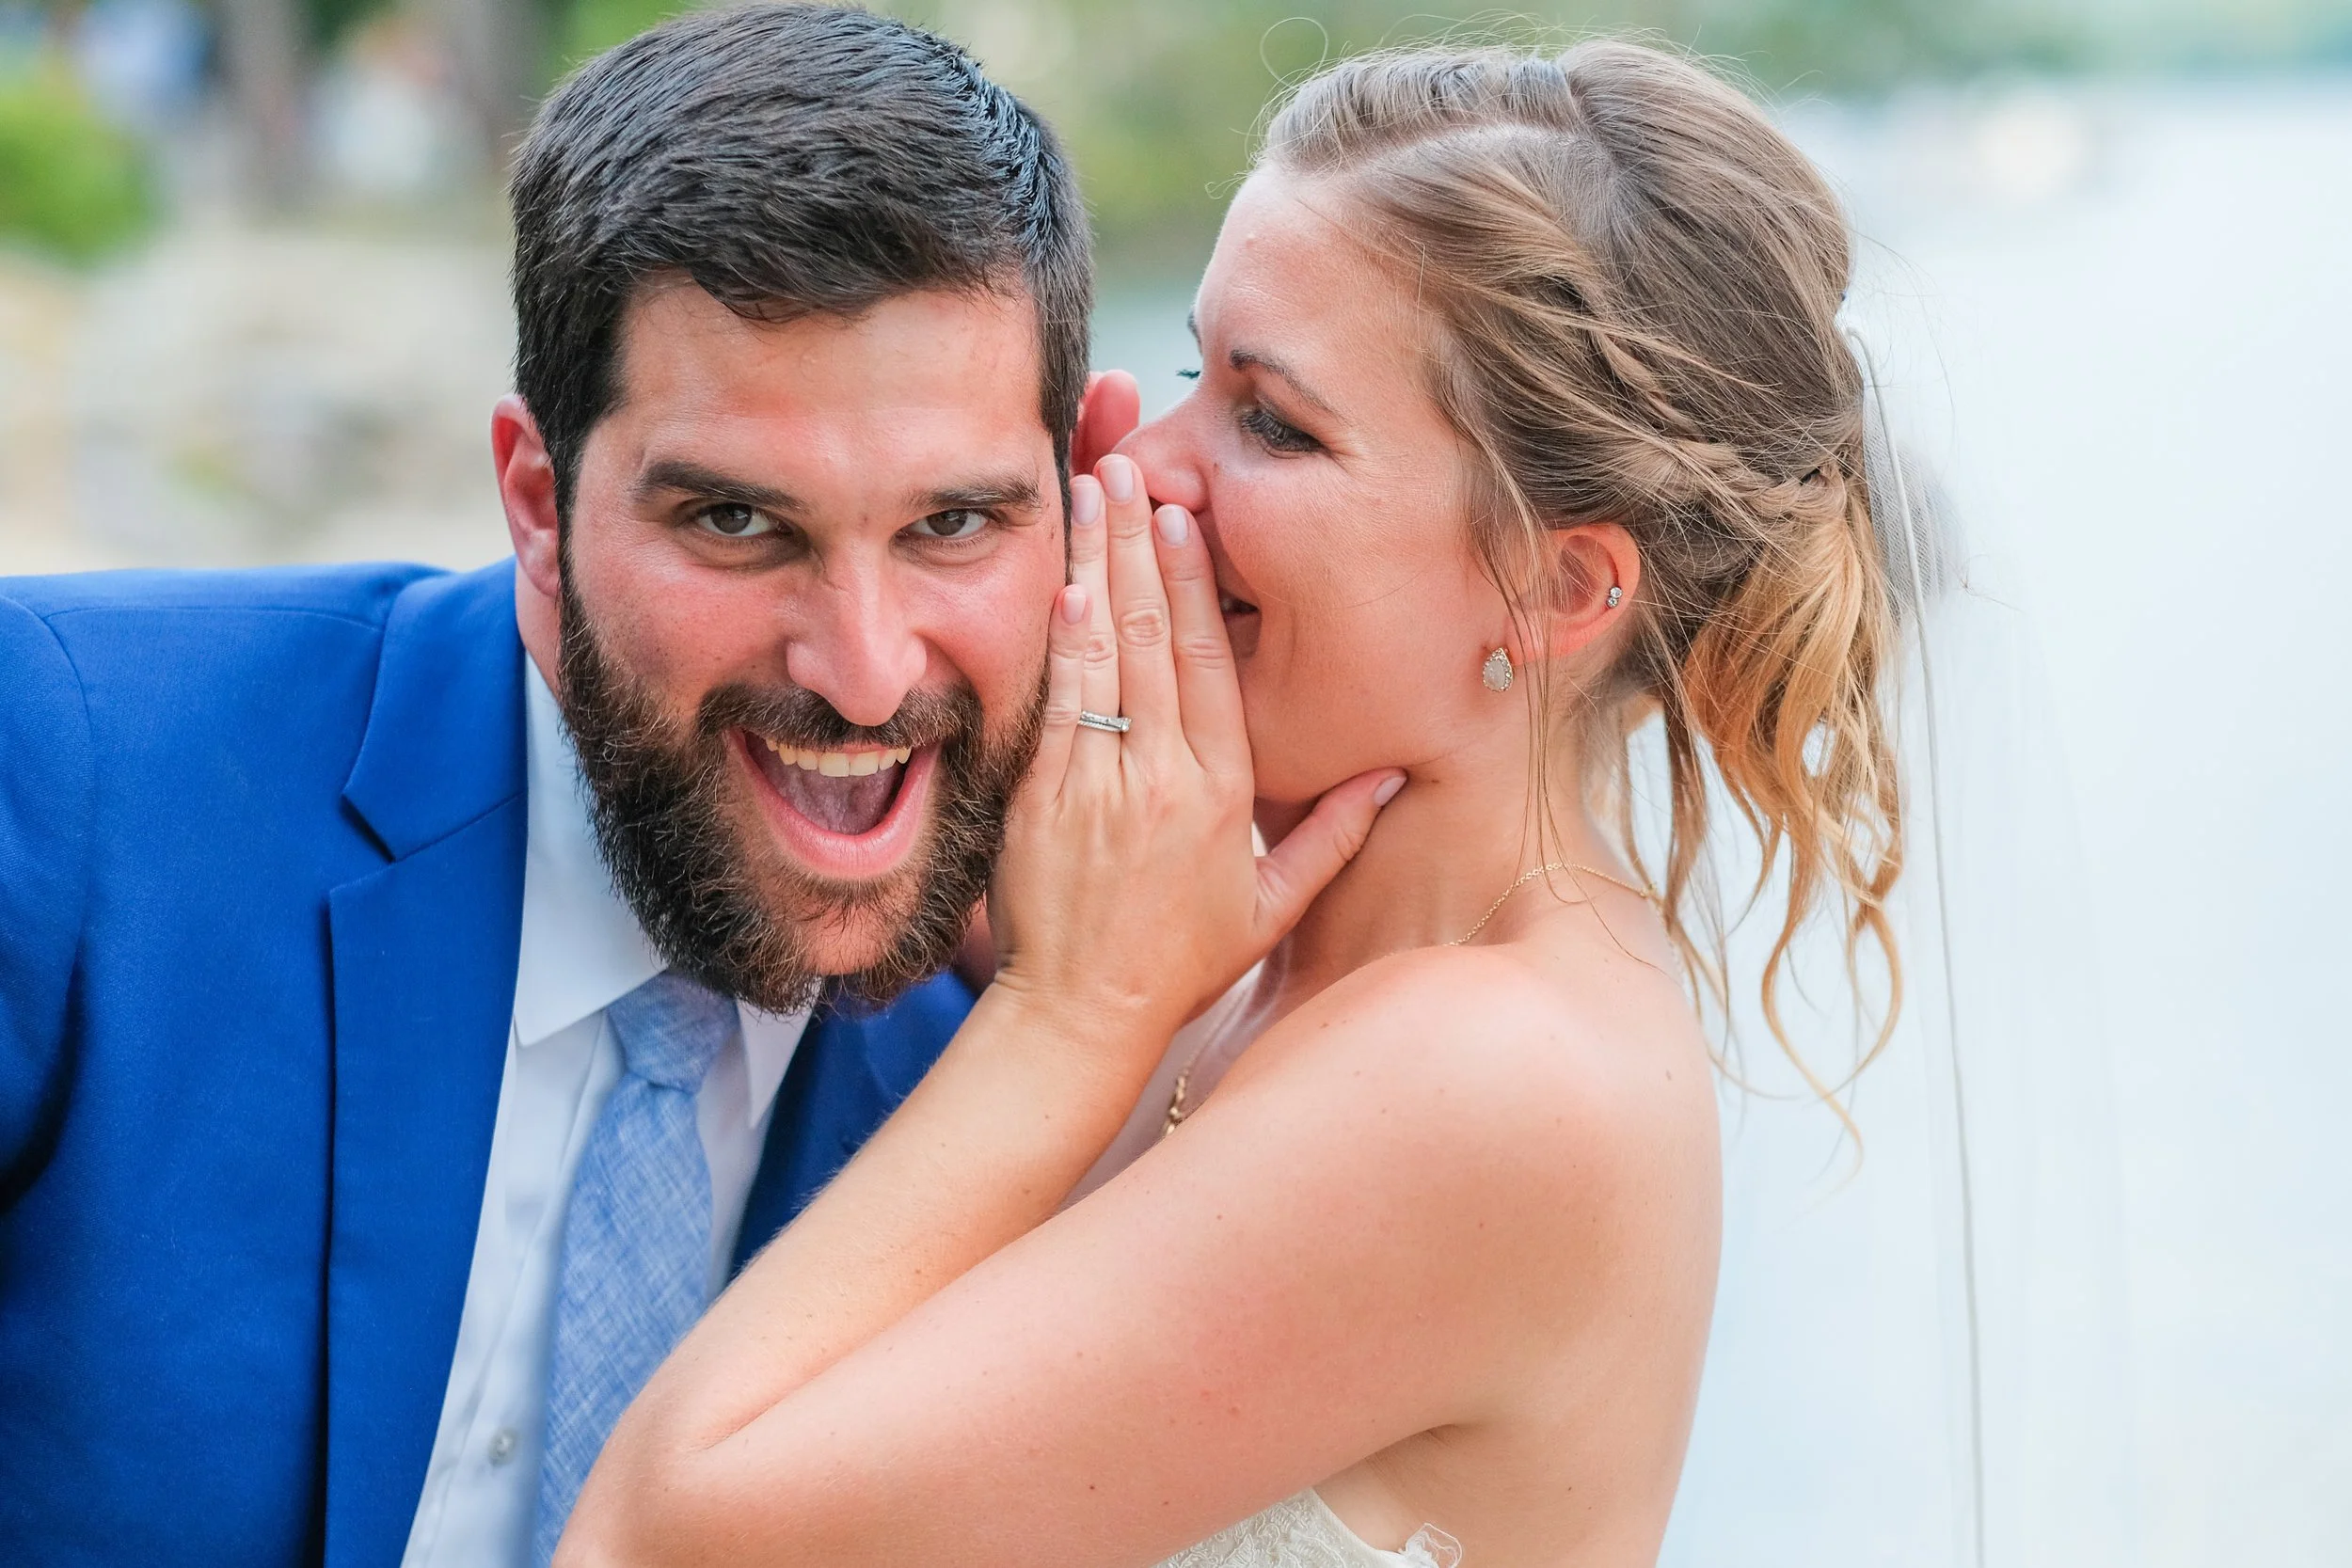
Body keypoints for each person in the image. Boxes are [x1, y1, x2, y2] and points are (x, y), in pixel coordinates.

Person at [0, 11, 1377, 1568]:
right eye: (737, 522)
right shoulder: (66, 772)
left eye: (952, 525)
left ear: (1078, 497)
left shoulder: (1055, 1060)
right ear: (538, 502)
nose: (865, 671)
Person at [561, 36, 1905, 1568]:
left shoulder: (1487, 1083)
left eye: (1272, 423)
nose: (1131, 469)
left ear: (1558, 587)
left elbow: (651, 1543)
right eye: (1198, 374)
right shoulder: (1250, 950)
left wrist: (1070, 1016)